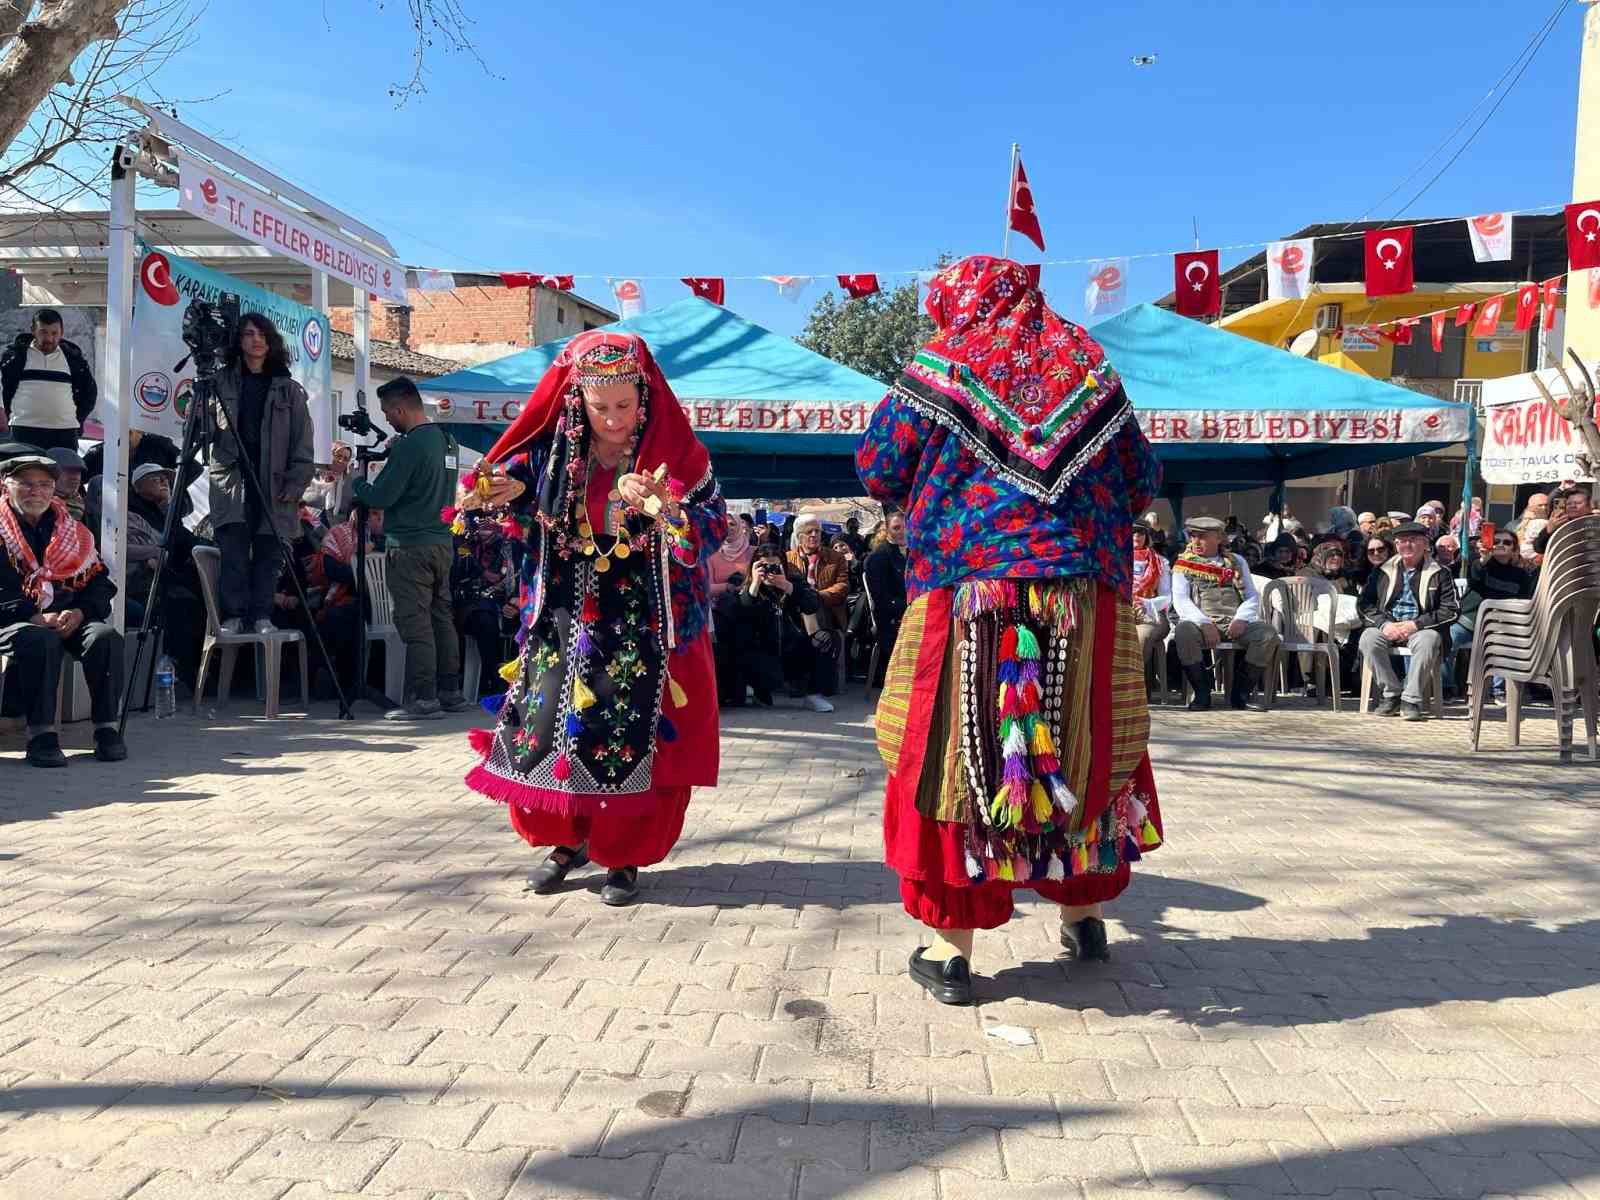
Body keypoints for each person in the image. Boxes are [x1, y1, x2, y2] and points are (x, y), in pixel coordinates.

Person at [857, 254, 1164, 1005]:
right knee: (1081, 742)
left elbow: (878, 463)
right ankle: (1085, 915)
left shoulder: (940, 362)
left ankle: (950, 950)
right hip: (1082, 595)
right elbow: (1142, 480)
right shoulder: (1090, 363)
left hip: (966, 591)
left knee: (953, 751)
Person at [461, 330, 727, 907]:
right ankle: (566, 841)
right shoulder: (551, 451)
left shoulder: (680, 455)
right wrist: (500, 493)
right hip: (564, 609)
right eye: (599, 406)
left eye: (624, 406)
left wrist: (668, 511)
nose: (612, 419)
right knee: (549, 720)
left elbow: (710, 530)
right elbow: (503, 499)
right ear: (578, 399)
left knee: (625, 728)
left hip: (643, 619)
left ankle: (623, 854)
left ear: (645, 397)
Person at [349, 376, 466, 720]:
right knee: (441, 618)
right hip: (442, 543)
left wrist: (359, 481)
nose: (386, 419)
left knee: (415, 622)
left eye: (387, 412)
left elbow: (382, 496)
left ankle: (424, 698)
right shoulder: (448, 441)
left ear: (401, 408)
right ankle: (451, 692)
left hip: (410, 546)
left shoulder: (409, 446)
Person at [0, 455, 126, 767]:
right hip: (13, 620)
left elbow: (100, 583)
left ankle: (107, 730)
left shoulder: (73, 531)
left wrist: (81, 613)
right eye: (26, 484)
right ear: (6, 485)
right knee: (41, 642)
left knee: (105, 636)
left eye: (44, 484)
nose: (36, 491)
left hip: (68, 618)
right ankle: (41, 735)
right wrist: (33, 616)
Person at [208, 313, 314, 638]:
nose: (256, 340)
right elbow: (203, 433)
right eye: (248, 334)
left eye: (262, 334)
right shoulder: (220, 381)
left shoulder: (288, 389)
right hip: (232, 481)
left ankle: (262, 614)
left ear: (271, 341)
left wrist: (296, 485)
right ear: (237, 341)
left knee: (270, 553)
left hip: (275, 482)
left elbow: (303, 442)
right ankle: (234, 615)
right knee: (234, 552)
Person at [1171, 516, 1280, 711]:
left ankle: (1240, 695)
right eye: (1193, 536)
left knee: (1267, 635)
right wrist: (1203, 623)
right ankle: (1202, 694)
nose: (1195, 541)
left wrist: (1241, 618)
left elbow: (1251, 596)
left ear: (1219, 538)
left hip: (1234, 622)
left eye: (1202, 537)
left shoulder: (1236, 561)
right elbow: (1181, 600)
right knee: (1183, 632)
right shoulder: (1184, 564)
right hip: (1202, 623)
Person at [1356, 521, 1459, 721]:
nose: (1406, 545)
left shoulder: (1440, 572)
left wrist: (1416, 625)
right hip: (1390, 625)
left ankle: (1411, 699)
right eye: (1401, 541)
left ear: (1425, 544)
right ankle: (1391, 694)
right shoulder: (1383, 570)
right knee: (1368, 638)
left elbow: (1451, 610)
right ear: (1396, 545)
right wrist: (1384, 624)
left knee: (1428, 640)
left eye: (1412, 540)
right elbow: (1364, 604)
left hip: (1421, 627)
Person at [123, 462, 203, 686]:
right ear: (138, 487)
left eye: (165, 478)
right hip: (140, 584)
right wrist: (156, 552)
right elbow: (129, 546)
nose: (164, 481)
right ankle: (179, 672)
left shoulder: (165, 510)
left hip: (164, 578)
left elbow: (183, 541)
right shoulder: (131, 511)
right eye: (155, 478)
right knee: (180, 605)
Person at [722, 539, 826, 706]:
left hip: (789, 643)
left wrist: (786, 586)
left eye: (775, 566)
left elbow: (812, 605)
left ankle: (812, 694)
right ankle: (758, 690)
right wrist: (754, 585)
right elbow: (737, 614)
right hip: (757, 648)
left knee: (826, 640)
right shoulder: (740, 581)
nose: (769, 571)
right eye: (764, 566)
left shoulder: (793, 580)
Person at [1447, 529, 1532, 703]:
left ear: (1515, 550)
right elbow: (1475, 574)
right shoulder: (1479, 563)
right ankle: (1446, 686)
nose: (1501, 545)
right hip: (1469, 622)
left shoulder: (1521, 575)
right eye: (1497, 541)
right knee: (1447, 638)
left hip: (1500, 626)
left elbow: (1524, 602)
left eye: (1507, 543)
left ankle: (1498, 689)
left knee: (1509, 641)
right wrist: (1484, 558)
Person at [0, 309, 96, 452]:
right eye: (43, 332)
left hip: (64, 433)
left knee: (64, 474)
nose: (49, 339)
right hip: (24, 431)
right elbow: (5, 391)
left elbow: (89, 394)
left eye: (54, 333)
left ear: (62, 332)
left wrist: (75, 420)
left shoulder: (74, 359)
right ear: (33, 330)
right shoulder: (15, 358)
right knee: (26, 474)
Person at [451, 512, 519, 701]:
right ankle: (492, 678)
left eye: (490, 521)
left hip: (504, 603)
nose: (485, 528)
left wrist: (516, 601)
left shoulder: (510, 545)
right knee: (485, 621)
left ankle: (514, 681)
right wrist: (479, 570)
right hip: (469, 605)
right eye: (481, 522)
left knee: (520, 621)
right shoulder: (461, 543)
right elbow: (455, 578)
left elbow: (517, 578)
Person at [861, 507, 907, 689]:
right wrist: (910, 607)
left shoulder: (915, 554)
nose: (903, 531)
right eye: (897, 528)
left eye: (906, 526)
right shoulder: (878, 557)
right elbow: (881, 599)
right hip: (890, 619)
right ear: (887, 530)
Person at [1130, 522, 1170, 693]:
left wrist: (1145, 603)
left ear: (1147, 536)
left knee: (1142, 637)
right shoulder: (1116, 560)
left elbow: (1168, 597)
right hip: (1123, 610)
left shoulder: (1160, 562)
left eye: (1140, 532)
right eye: (1131, 532)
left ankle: (1136, 689)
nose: (1136, 536)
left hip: (1150, 613)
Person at [1531, 485, 1593, 556]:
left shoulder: (1595, 522)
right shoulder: (1558, 523)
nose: (1573, 506)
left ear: (1589, 506)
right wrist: (1548, 531)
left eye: (1578, 503)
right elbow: (1539, 548)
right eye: (1568, 504)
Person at [708, 511, 753, 601]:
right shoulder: (711, 554)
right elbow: (706, 588)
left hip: (749, 605)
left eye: (732, 524)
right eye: (723, 524)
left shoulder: (754, 552)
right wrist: (727, 587)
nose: (728, 528)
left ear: (740, 527)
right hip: (721, 608)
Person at [48, 446, 87, 521]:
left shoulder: (84, 506)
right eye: (69, 471)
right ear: (50, 473)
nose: (75, 477)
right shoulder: (38, 508)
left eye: (78, 472)